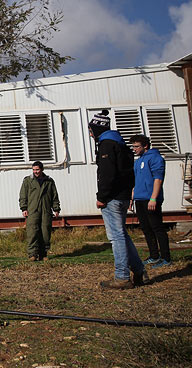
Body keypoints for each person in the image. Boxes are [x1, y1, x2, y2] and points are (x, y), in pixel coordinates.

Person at [89, 110, 148, 289]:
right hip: (122, 196)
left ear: (98, 129)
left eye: (91, 130)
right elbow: (129, 174)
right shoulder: (121, 145)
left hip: (112, 198)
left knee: (116, 237)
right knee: (122, 235)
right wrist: (128, 194)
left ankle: (122, 277)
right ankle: (139, 271)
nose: (90, 133)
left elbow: (107, 175)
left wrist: (102, 197)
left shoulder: (106, 145)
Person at [129, 134, 171, 268]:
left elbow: (158, 179)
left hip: (150, 199)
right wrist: (132, 198)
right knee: (146, 228)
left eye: (136, 146)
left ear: (145, 146)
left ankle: (166, 258)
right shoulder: (138, 161)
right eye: (133, 146)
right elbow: (135, 181)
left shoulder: (156, 158)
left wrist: (153, 198)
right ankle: (154, 256)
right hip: (139, 199)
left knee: (157, 227)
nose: (134, 149)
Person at [19, 161, 60, 261]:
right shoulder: (28, 181)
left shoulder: (49, 181)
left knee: (45, 232)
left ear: (42, 169)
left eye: (37, 169)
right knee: (32, 232)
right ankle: (32, 254)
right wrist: (24, 208)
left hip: (46, 210)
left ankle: (43, 254)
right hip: (32, 210)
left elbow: (54, 196)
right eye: (33, 170)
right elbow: (23, 195)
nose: (35, 172)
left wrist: (56, 208)